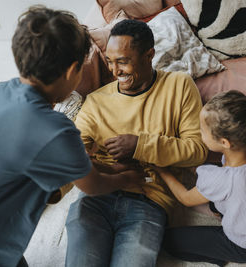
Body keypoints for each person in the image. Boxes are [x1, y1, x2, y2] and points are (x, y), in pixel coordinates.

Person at [0, 6, 144, 267]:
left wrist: (100, 165)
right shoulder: (55, 130)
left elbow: (67, 163)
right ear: (73, 71)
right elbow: (92, 185)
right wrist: (128, 176)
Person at [65, 19, 208, 267]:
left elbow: (197, 150)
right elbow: (72, 154)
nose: (114, 71)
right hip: (97, 196)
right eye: (110, 61)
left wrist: (140, 145)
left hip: (149, 200)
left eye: (123, 61)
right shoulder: (96, 101)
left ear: (149, 55)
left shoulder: (179, 86)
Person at [154, 90, 246, 266]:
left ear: (224, 143)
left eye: (202, 131)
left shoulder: (224, 180)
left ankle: (230, 256)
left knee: (167, 241)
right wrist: (186, 165)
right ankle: (219, 215)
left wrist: (161, 170)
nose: (199, 133)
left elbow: (185, 198)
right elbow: (213, 177)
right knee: (212, 179)